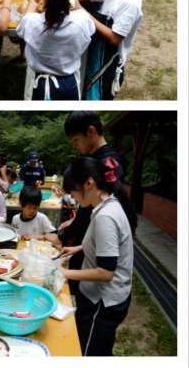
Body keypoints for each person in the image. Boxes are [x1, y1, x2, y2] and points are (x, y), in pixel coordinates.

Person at [60, 157, 134, 356]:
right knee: (98, 346)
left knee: (90, 352)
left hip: (103, 301)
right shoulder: (107, 204)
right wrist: (78, 248)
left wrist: (64, 273)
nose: (73, 197)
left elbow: (106, 272)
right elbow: (105, 245)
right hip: (102, 297)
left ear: (89, 183)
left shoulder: (105, 216)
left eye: (73, 192)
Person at [61, 111, 137, 295]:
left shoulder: (108, 162)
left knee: (91, 276)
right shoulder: (97, 159)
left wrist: (63, 236)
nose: (75, 145)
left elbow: (92, 207)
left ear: (91, 131)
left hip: (104, 233)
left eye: (76, 140)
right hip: (93, 233)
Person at [16, 0, 95, 100]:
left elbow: (22, 26)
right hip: (69, 84)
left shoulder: (31, 22)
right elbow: (88, 24)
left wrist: (32, 4)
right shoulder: (83, 21)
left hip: (37, 85)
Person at [76, 0, 143, 99]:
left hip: (108, 65)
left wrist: (83, 12)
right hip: (95, 54)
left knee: (95, 96)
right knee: (86, 89)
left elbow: (114, 38)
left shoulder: (130, 3)